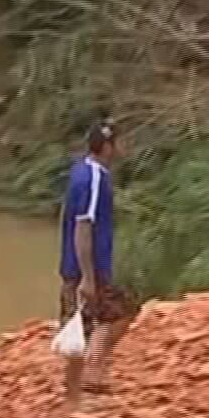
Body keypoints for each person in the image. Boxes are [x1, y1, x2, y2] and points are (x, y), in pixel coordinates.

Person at [58, 118, 138, 402]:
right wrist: (88, 278)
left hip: (74, 266)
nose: (124, 148)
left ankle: (74, 398)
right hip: (88, 268)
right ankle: (92, 373)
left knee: (80, 326)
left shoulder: (81, 170)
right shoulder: (94, 178)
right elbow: (83, 226)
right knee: (118, 313)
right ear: (107, 146)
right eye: (120, 142)